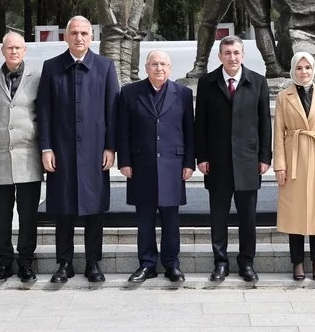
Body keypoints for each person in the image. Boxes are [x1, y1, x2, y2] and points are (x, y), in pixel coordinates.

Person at [37, 16, 119, 283]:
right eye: (74, 33)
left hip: (95, 151)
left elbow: (112, 110)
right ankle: (64, 263)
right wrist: (46, 147)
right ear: (66, 37)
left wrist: (111, 147)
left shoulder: (105, 67)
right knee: (63, 208)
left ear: (92, 37)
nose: (79, 37)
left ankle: (93, 262)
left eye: (84, 33)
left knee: (94, 208)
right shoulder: (51, 67)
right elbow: (44, 110)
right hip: (61, 151)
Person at [193, 35, 272, 283]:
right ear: (220, 56)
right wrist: (201, 156)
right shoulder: (207, 82)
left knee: (248, 218)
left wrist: (264, 157)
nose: (232, 58)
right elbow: (200, 123)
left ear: (243, 54)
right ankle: (221, 263)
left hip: (248, 161)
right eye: (227, 53)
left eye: (236, 53)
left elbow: (265, 124)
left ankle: (246, 263)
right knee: (218, 217)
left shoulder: (257, 82)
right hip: (217, 163)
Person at [116, 50, 194, 283]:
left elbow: (189, 131)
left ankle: (172, 264)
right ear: (146, 67)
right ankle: (147, 264)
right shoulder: (129, 93)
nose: (159, 68)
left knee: (171, 219)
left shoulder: (183, 93)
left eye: (163, 64)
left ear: (170, 68)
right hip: (141, 164)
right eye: (154, 64)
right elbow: (123, 129)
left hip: (173, 165)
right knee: (144, 219)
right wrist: (124, 161)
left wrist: (189, 163)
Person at [273, 52, 315, 282]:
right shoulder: (284, 96)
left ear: (314, 69)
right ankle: (297, 262)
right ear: (293, 70)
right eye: (299, 68)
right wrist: (280, 165)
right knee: (294, 212)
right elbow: (278, 132)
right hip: (294, 158)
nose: (304, 72)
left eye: (308, 68)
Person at [0, 31, 43, 283]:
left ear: (24, 50)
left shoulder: (37, 78)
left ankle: (26, 261)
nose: (14, 51)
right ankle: (4, 263)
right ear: (2, 50)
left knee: (28, 215)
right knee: (1, 215)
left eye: (18, 48)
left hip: (28, 156)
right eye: (9, 48)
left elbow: (43, 114)